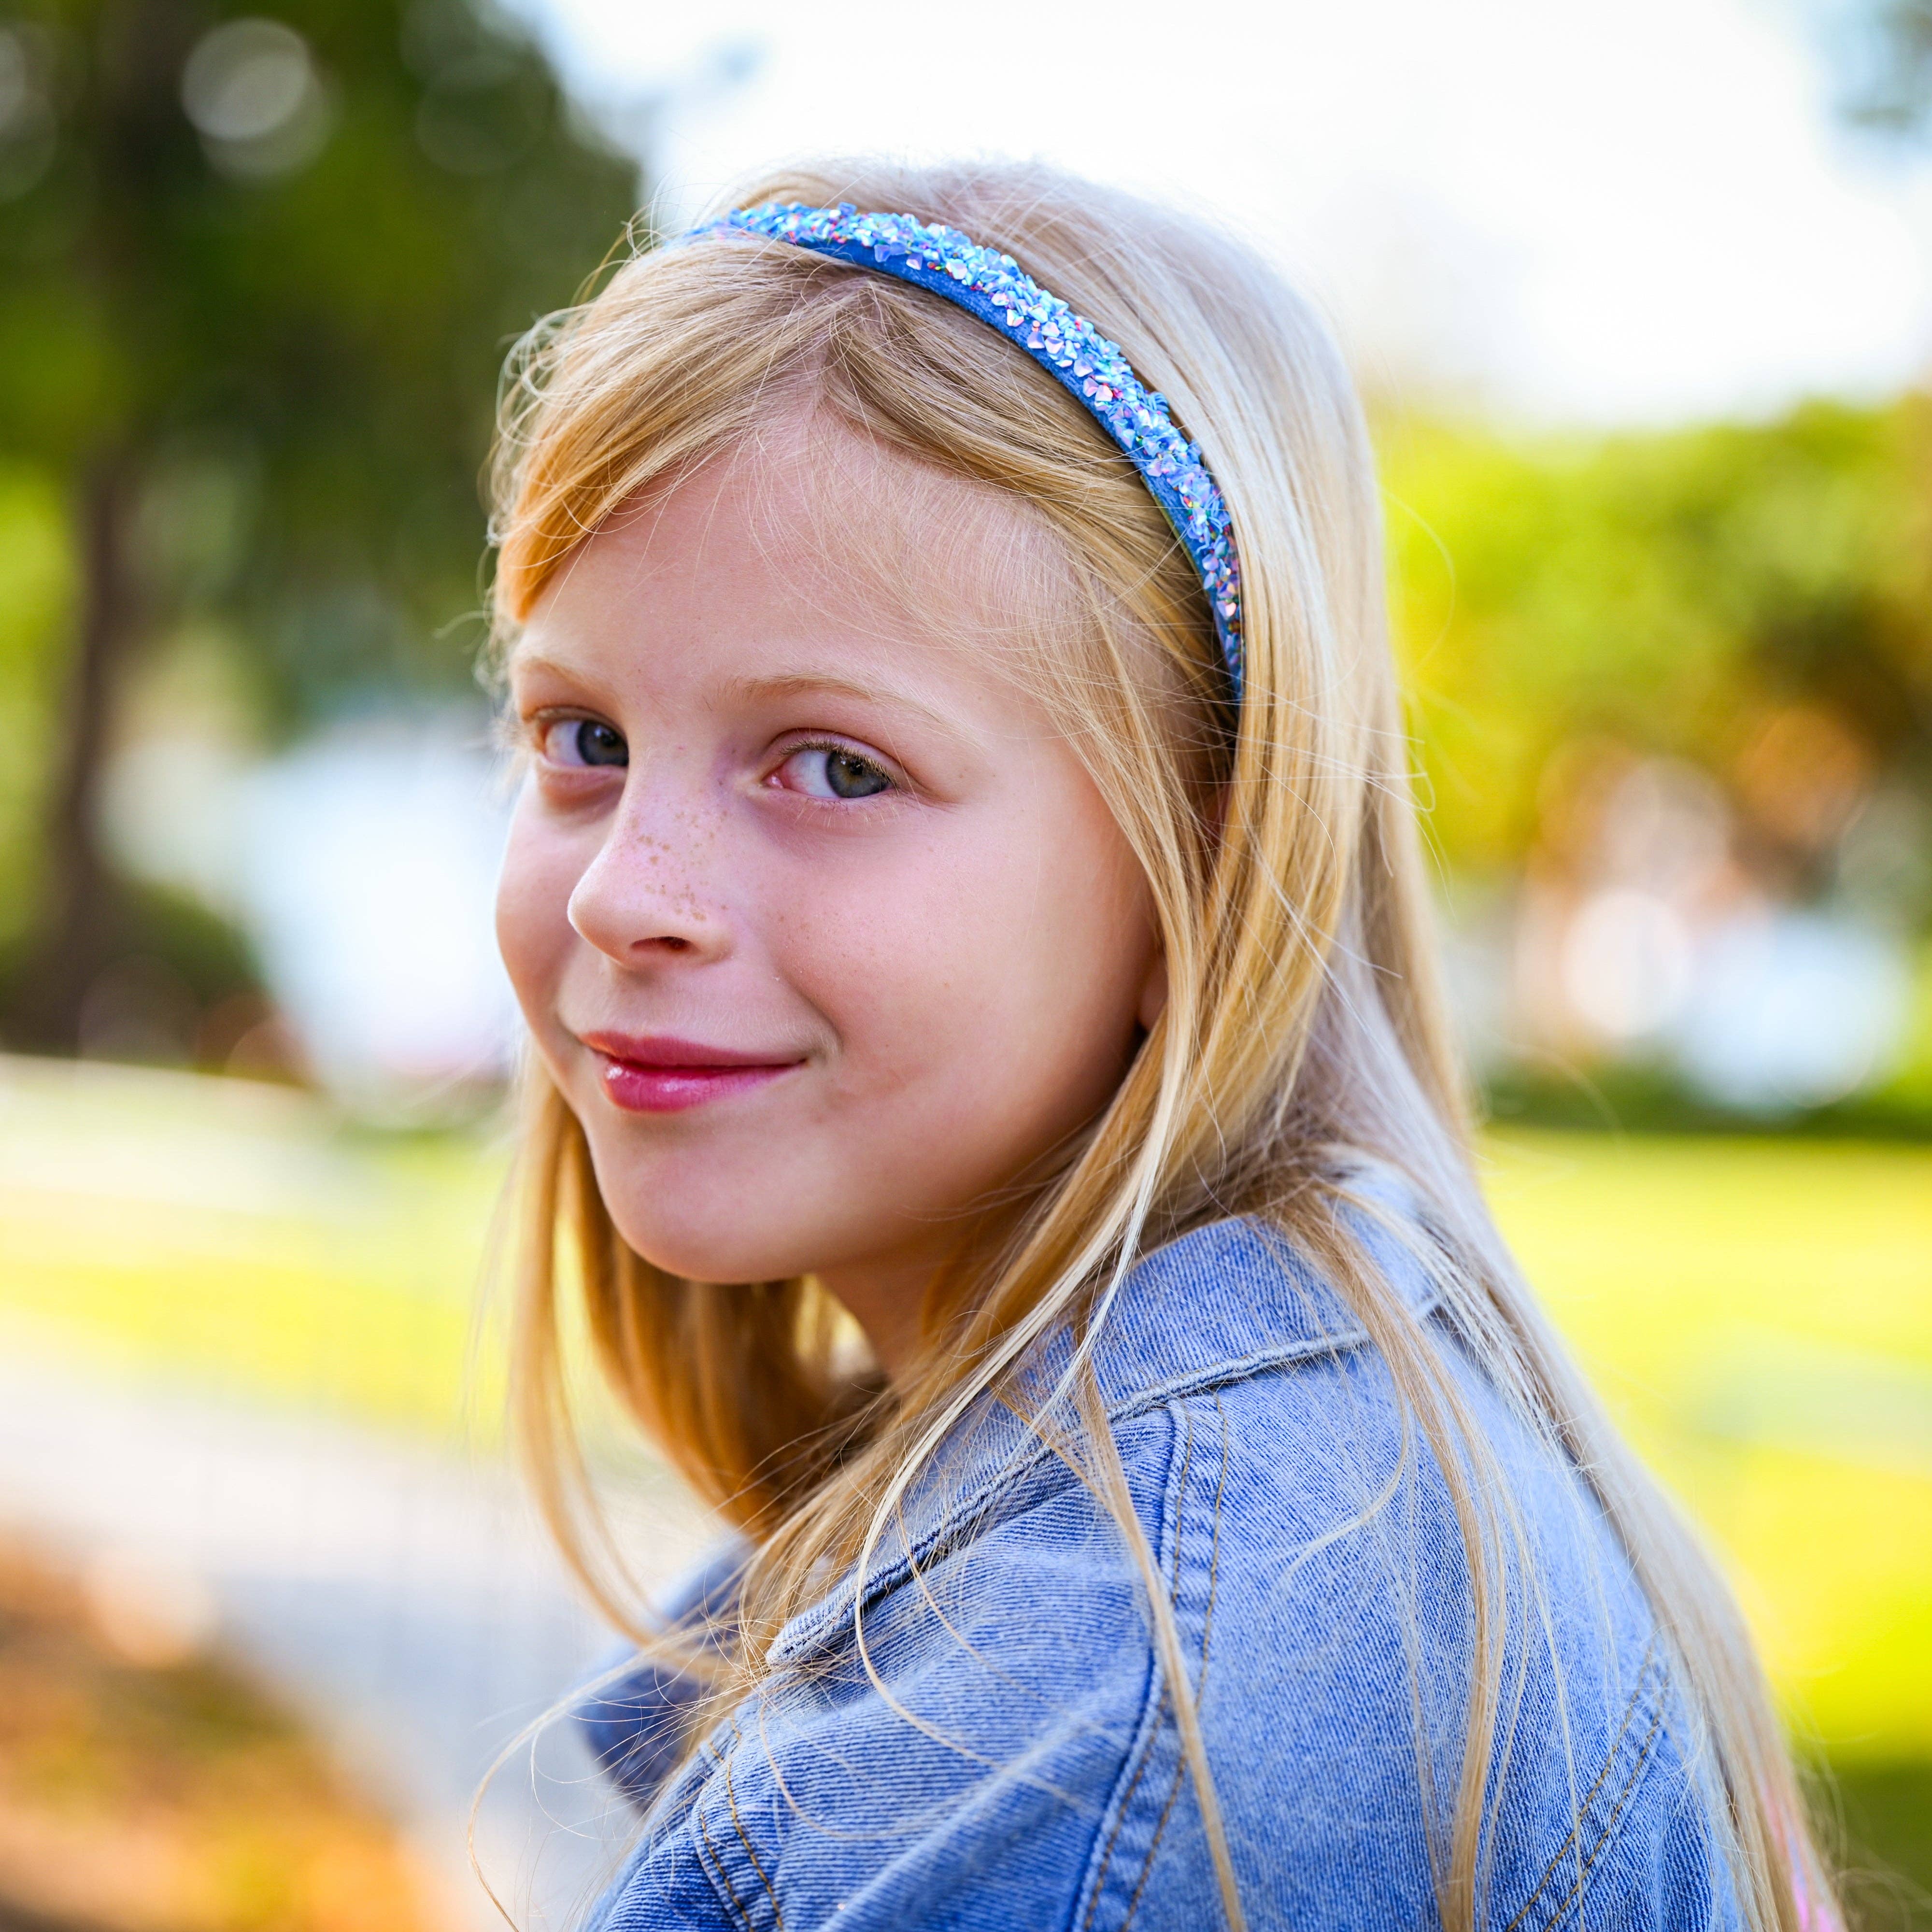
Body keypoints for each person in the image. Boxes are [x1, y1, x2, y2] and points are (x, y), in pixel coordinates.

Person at [485, 159, 1834, 1931]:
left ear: (1204, 863)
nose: (625, 897)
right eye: (581, 735)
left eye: (834, 766)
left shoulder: (1112, 1732)